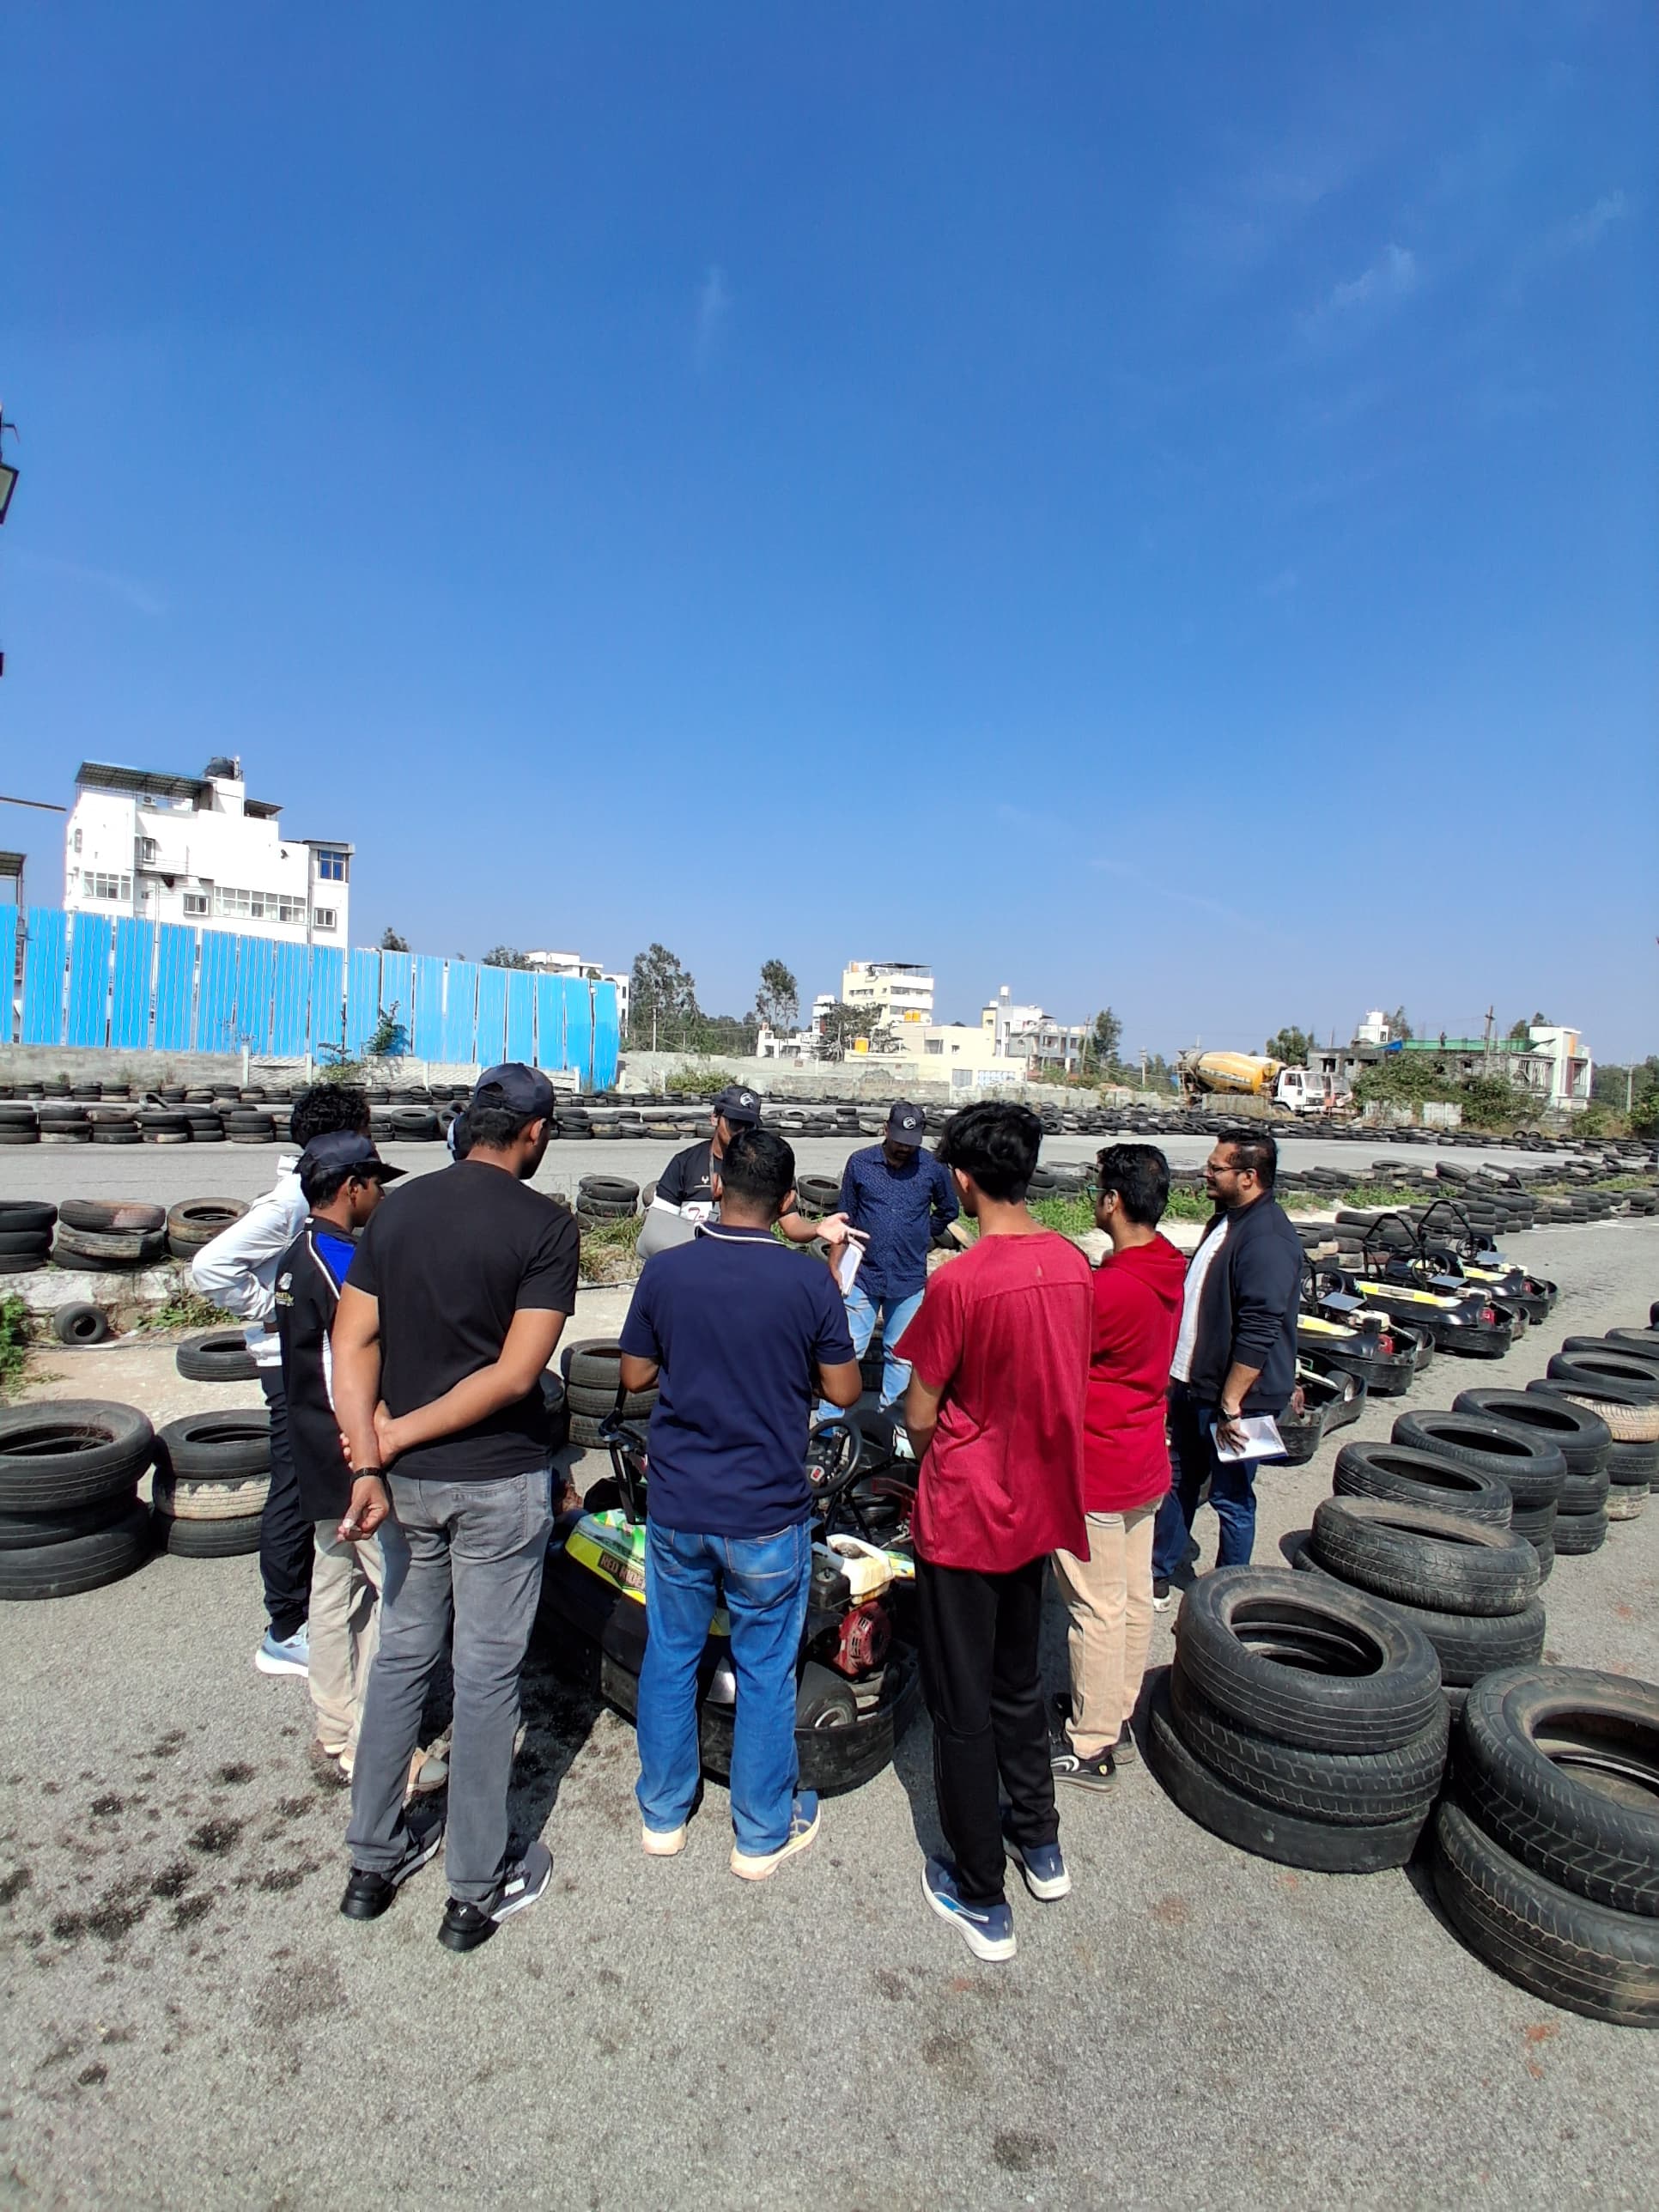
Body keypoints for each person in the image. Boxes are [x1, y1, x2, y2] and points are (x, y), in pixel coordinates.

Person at [331, 1064, 580, 1953]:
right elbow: (517, 1375)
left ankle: (372, 1857)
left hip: (412, 1483)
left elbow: (351, 1337)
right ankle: (474, 1887)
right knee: (483, 1677)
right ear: (536, 1132)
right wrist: (385, 1446)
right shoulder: (548, 1227)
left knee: (401, 1652)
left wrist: (372, 1452)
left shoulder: (396, 1209)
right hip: (497, 1479)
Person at [617, 1126, 861, 1879]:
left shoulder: (668, 1272)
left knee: (671, 1655)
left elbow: (631, 1377)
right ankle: (759, 1834)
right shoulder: (807, 1284)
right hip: (765, 1515)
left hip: (682, 1505)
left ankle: (663, 1814)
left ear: (716, 1185)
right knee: (764, 1669)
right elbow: (845, 1391)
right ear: (789, 1200)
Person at [899, 1103, 1091, 1962]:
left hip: (968, 1515)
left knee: (962, 1704)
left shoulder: (960, 1281)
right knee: (1021, 1682)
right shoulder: (1074, 1263)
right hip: (1041, 1504)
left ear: (964, 1181)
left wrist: (939, 1451)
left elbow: (922, 1408)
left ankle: (981, 1890)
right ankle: (1039, 1844)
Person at [192, 1081, 372, 1678]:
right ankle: (285, 1626)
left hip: (308, 1349)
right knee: (295, 1482)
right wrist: (271, 1306)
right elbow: (210, 1266)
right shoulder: (292, 1202)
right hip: (290, 1357)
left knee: (303, 1476)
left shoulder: (310, 1194)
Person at [273, 1131, 412, 1784]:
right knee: (398, 1594)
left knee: (331, 1592)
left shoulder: (295, 1254)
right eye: (375, 1182)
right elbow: (343, 1366)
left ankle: (334, 1723)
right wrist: (370, 1459)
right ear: (352, 1187)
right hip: (350, 1452)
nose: (381, 1194)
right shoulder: (338, 1262)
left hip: (311, 1450)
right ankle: (374, 1743)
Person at [1049, 1145, 1185, 1791]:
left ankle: (1091, 1743)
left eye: (1100, 1188)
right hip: (1142, 1459)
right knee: (1131, 1601)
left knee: (1094, 1608)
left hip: (1099, 1463)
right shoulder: (1162, 1266)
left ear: (1114, 1202)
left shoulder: (1111, 1291)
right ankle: (1114, 1713)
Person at [1150, 1128, 1304, 1608]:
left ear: (1249, 1177)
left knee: (1232, 1498)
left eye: (1217, 1168)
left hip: (1236, 1402)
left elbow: (1261, 1328)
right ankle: (1159, 1570)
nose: (1206, 1173)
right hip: (1195, 1387)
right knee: (1178, 1482)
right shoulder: (1227, 1220)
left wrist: (1233, 1404)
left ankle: (1227, 1593)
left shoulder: (1269, 1238)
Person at [831, 1102, 958, 1417]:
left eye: (910, 1144)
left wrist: (921, 1233)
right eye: (899, 1140)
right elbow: (844, 1216)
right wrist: (836, 1263)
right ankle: (828, 1428)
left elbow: (949, 1210)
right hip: (862, 1275)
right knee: (847, 1350)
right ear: (886, 1130)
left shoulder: (931, 1168)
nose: (904, 1148)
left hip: (909, 1280)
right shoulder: (860, 1163)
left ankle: (890, 1429)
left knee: (901, 1355)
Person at [638, 1085, 851, 1259]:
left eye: (749, 1126)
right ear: (715, 1118)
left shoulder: (768, 1164)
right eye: (735, 1123)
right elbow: (655, 1232)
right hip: (689, 1265)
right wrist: (703, 1249)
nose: (742, 1132)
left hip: (744, 1267)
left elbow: (792, 1226)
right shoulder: (686, 1163)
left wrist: (818, 1228)